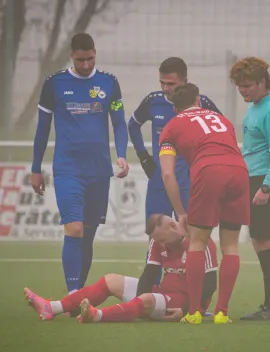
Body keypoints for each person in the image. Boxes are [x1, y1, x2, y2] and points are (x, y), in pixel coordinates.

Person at [30, 33, 129, 295]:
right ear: (72, 55)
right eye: (81, 59)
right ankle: (73, 293)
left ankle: (79, 293)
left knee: (87, 233)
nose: (86, 65)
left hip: (99, 171)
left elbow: (119, 122)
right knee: (73, 228)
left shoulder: (109, 83)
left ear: (95, 53)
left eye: (91, 59)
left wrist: (121, 154)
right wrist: (35, 168)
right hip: (68, 170)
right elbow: (42, 128)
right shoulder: (54, 83)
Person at [159, 83, 249, 325]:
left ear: (175, 108)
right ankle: (222, 313)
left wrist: (180, 212)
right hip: (239, 171)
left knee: (197, 242)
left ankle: (195, 312)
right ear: (198, 100)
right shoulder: (222, 119)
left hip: (208, 171)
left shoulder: (171, 127)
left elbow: (168, 175)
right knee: (230, 245)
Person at [127, 57, 221, 286]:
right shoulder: (153, 101)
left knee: (193, 236)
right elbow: (132, 125)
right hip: (161, 180)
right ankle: (155, 291)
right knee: (155, 236)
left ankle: (193, 293)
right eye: (163, 83)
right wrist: (144, 157)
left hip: (190, 181)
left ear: (185, 82)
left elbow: (221, 131)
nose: (166, 89)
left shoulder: (202, 103)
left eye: (172, 84)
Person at [24, 214, 218, 322]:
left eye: (162, 240)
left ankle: (97, 316)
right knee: (111, 280)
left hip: (186, 303)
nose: (161, 245)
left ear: (173, 227)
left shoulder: (201, 242)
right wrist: (139, 304)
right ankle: (52, 308)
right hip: (163, 294)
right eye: (157, 241)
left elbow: (210, 285)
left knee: (146, 299)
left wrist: (188, 311)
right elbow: (149, 275)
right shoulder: (158, 242)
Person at [229, 57, 270, 321]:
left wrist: (267, 187)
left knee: (266, 240)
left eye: (248, 85)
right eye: (240, 86)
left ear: (262, 82)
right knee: (259, 240)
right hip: (258, 179)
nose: (243, 90)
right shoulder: (257, 105)